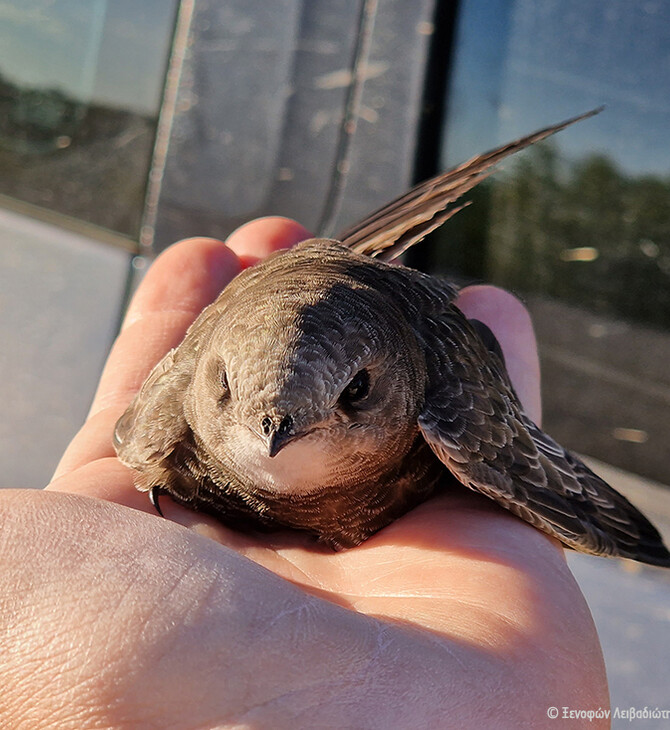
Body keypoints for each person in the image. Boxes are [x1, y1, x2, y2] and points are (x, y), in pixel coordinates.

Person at [0, 218, 609, 728]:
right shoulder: (174, 418)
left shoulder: (434, 376)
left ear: (379, 379)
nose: (273, 442)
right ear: (212, 383)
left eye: (354, 396)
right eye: (232, 399)